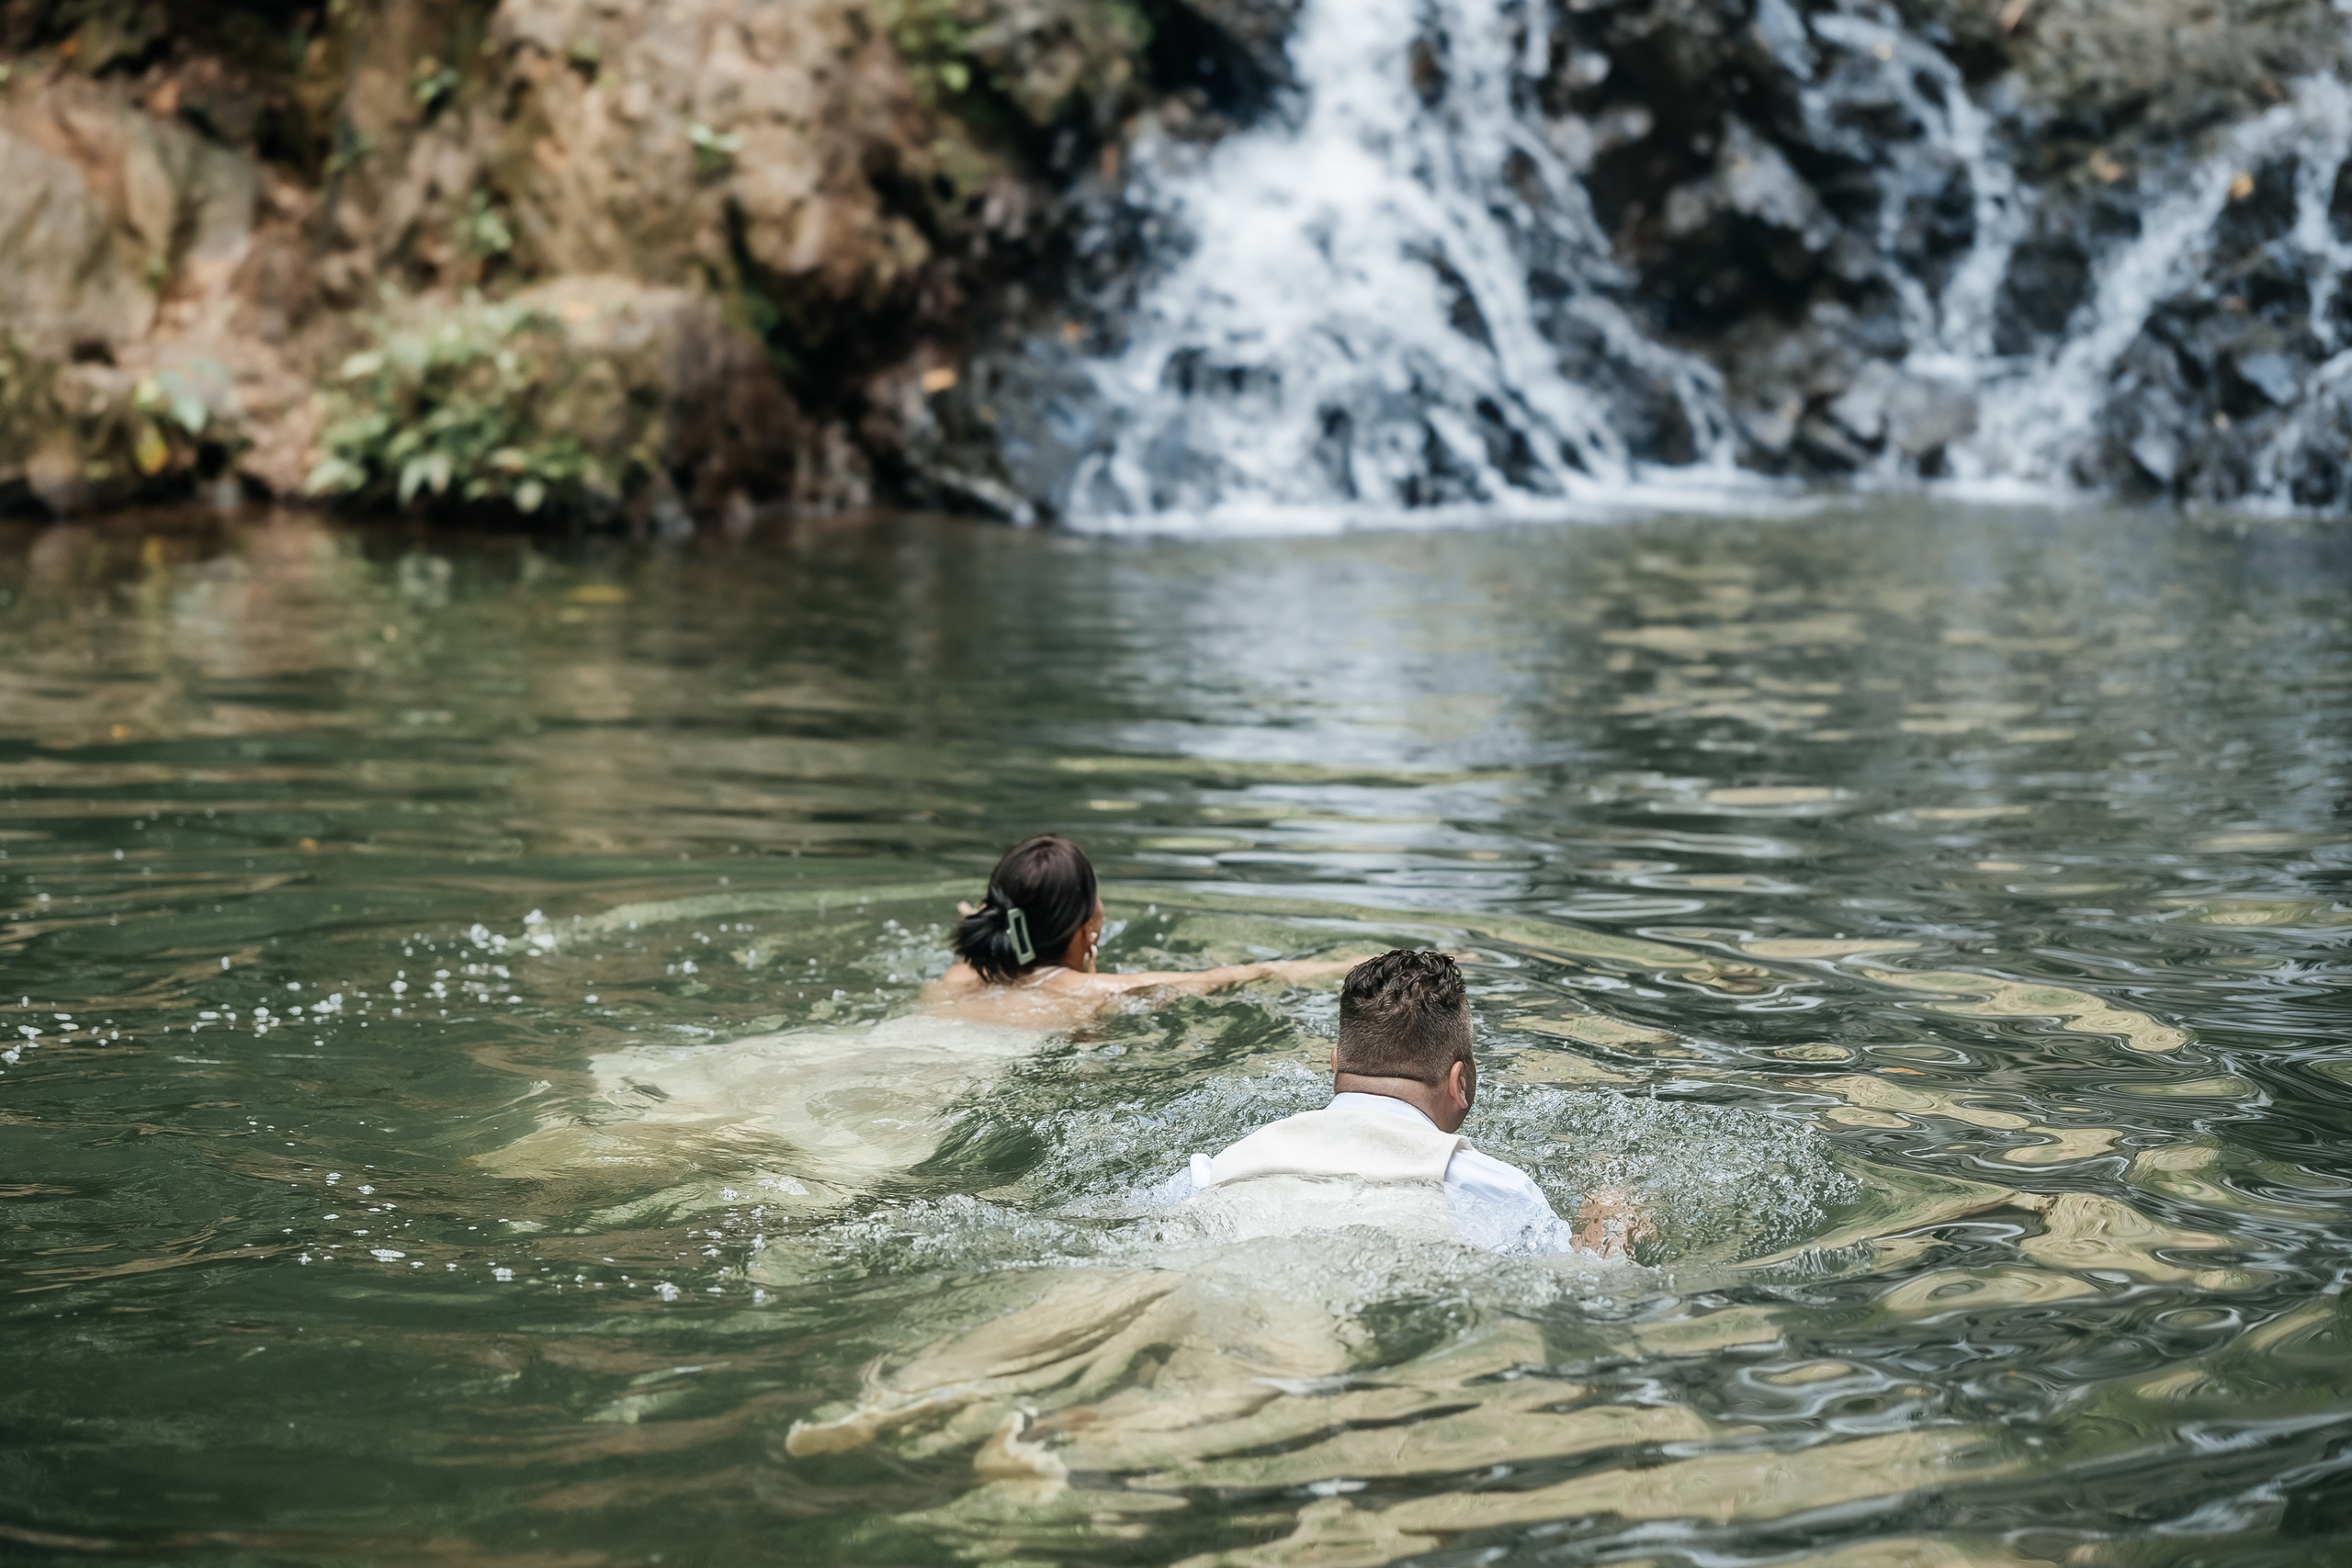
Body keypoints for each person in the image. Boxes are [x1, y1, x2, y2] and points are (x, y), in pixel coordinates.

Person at [1184, 949, 1647, 1258]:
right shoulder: (1498, 1190)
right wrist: (1609, 1214)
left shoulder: (1214, 1171)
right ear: (1459, 1081)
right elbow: (1588, 1287)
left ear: (1335, 1062)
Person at [923, 834, 1353, 1028]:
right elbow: (1258, 973)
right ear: (1086, 928)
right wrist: (1355, 965)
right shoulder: (1096, 994)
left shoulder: (958, 976)